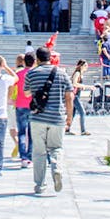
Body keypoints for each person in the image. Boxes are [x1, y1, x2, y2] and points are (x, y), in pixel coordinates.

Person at [23, 46, 74, 195]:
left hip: (38, 117)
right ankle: (57, 168)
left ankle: (40, 185)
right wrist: (69, 117)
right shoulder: (61, 73)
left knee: (38, 152)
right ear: (50, 58)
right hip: (57, 117)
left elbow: (26, 94)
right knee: (56, 147)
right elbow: (69, 96)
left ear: (37, 59)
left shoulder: (31, 73)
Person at [12, 53, 34, 167]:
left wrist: (11, 98)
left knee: (21, 132)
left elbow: (12, 86)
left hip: (20, 104)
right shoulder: (35, 74)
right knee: (31, 132)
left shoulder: (19, 74)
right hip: (32, 106)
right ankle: (30, 156)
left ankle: (23, 157)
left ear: (24, 62)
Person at [68, 59, 90, 135]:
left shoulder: (80, 74)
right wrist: (83, 86)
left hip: (76, 95)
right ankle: (83, 130)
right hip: (75, 96)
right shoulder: (77, 73)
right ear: (81, 66)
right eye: (85, 65)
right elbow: (74, 83)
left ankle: (67, 129)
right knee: (82, 112)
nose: (86, 67)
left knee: (72, 114)